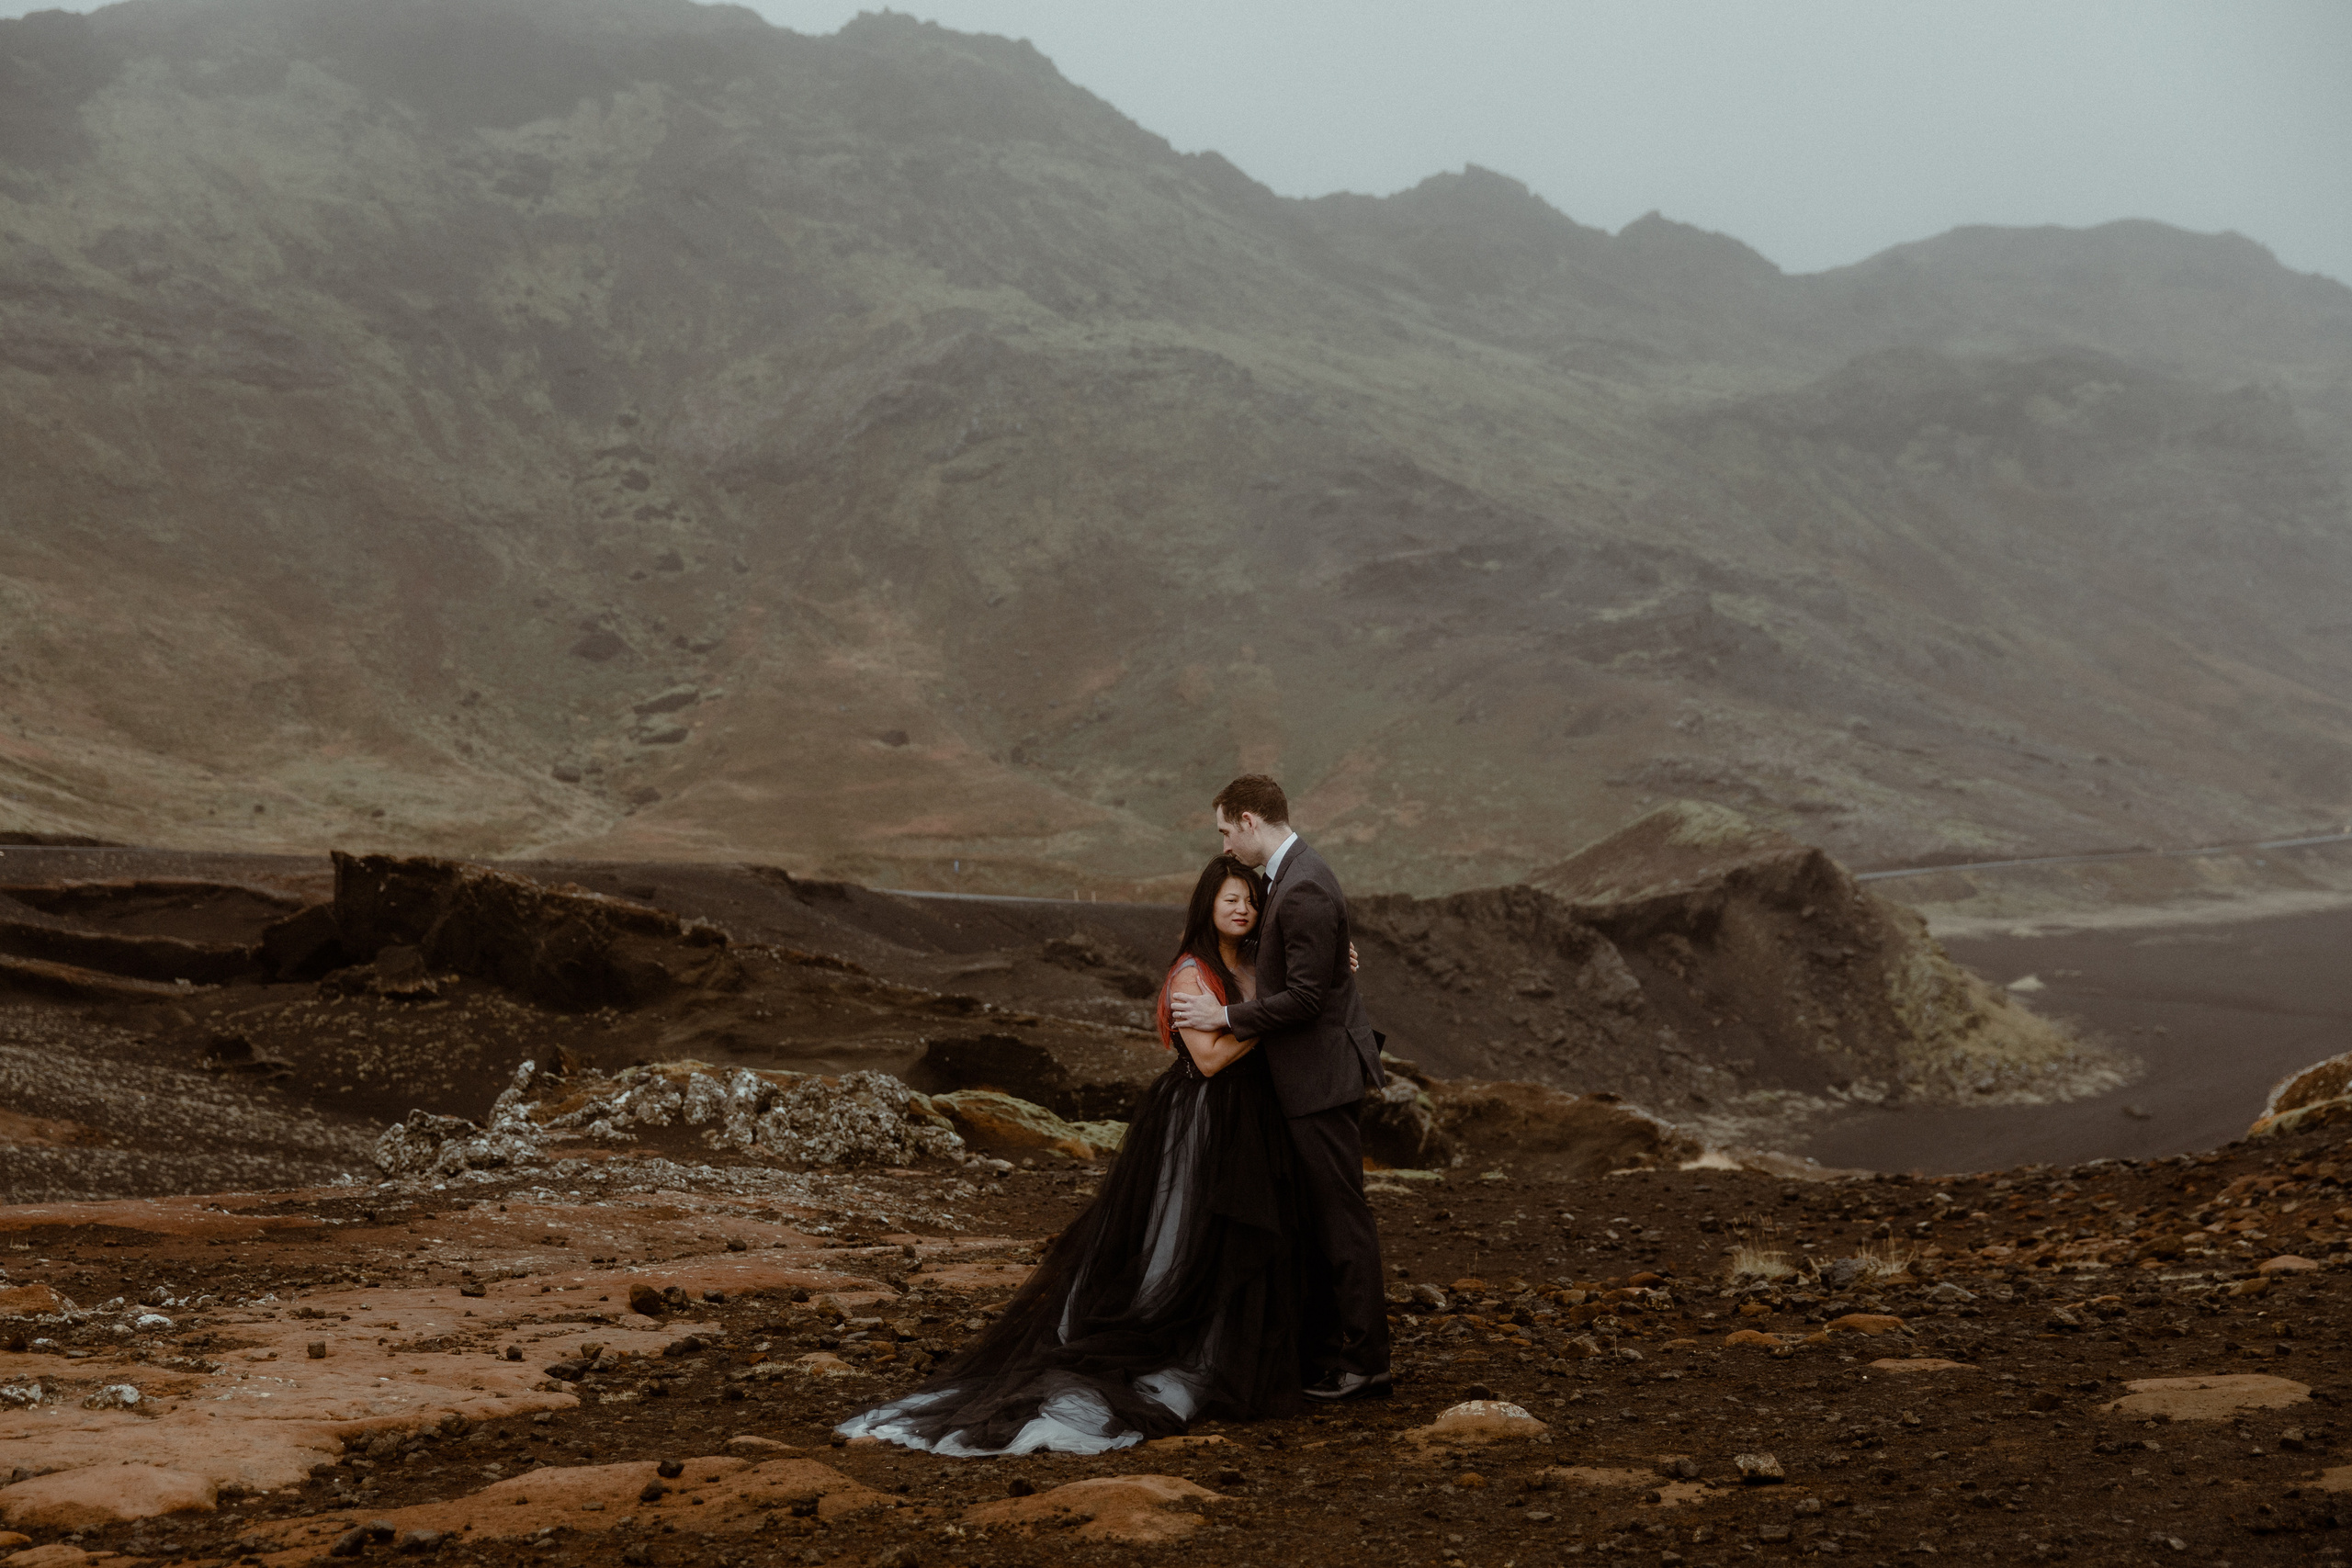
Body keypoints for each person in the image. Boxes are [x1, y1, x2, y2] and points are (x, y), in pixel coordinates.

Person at [833, 854, 1308, 1454]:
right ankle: (1175, 1351)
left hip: (1246, 1125)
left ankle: (1226, 1353)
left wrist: (1284, 995)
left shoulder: (1252, 965)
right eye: (1230, 899)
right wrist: (1271, 1019)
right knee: (1184, 1238)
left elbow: (1287, 1000)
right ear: (1207, 906)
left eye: (1250, 900)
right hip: (1199, 1122)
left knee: (1224, 1242)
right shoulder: (1192, 972)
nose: (1241, 909)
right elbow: (1209, 1059)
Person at [1166, 773, 1392, 1402]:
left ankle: (1367, 1361)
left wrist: (1224, 1017)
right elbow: (1302, 968)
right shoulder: (1288, 881)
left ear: (1246, 819)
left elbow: (1303, 999)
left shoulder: (1305, 884)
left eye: (1224, 831)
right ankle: (1334, 1349)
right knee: (1321, 1220)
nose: (1224, 846)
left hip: (1319, 1081)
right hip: (1305, 1082)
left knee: (1342, 1220)